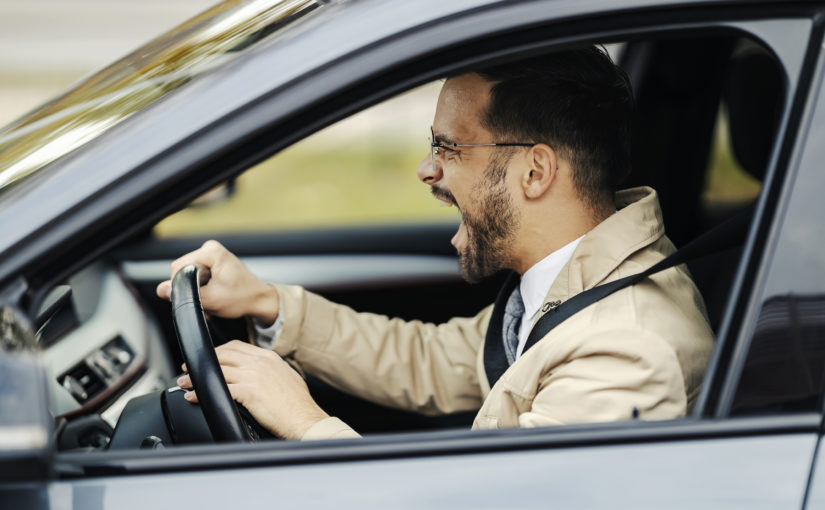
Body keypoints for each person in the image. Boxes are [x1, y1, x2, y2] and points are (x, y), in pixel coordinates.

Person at [156, 46, 714, 441]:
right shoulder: (572, 281)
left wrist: (304, 423)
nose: (427, 169)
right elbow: (430, 362)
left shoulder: (624, 352)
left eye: (449, 148)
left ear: (535, 171)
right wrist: (267, 302)